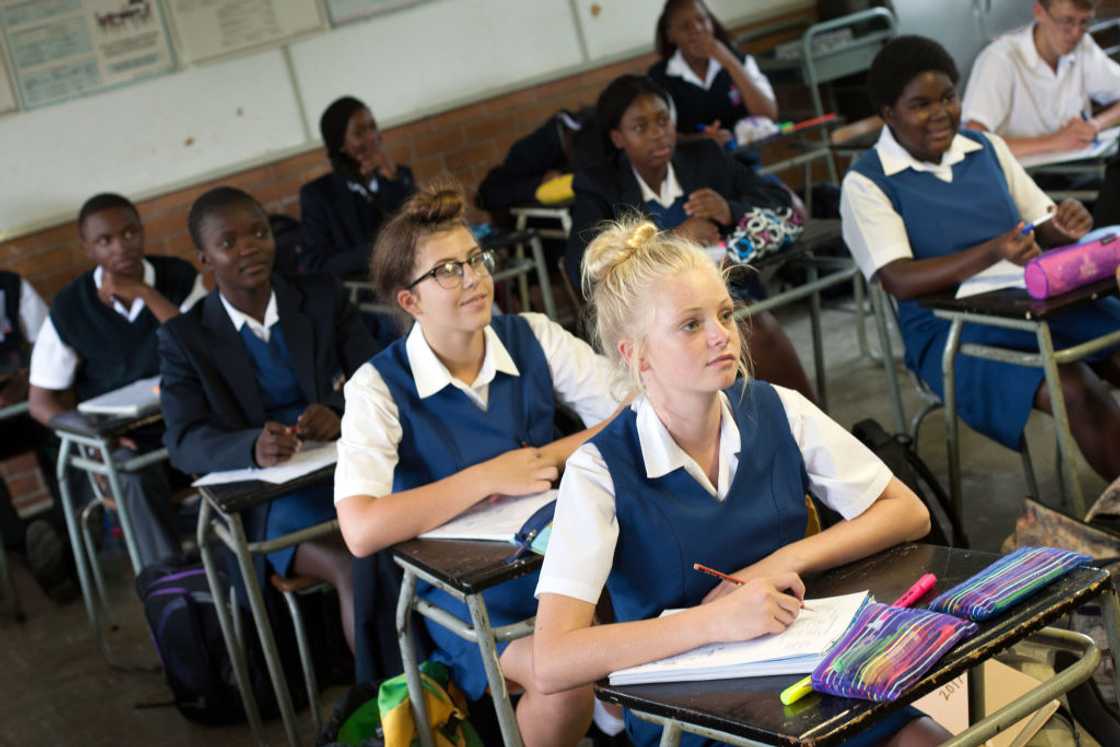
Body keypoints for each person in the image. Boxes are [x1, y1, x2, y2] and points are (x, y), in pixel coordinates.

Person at [531, 218, 941, 747]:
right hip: (693, 718)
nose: (721, 335)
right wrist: (715, 621)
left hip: (807, 675)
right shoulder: (599, 471)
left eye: (725, 314)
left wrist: (778, 564)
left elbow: (907, 511)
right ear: (635, 355)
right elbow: (553, 659)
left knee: (930, 740)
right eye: (690, 325)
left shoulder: (775, 408)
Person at [334, 185, 621, 747]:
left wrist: (544, 459)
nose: (473, 278)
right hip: (470, 597)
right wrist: (486, 478)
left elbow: (632, 412)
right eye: (447, 271)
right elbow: (360, 528)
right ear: (410, 301)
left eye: (475, 259)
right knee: (565, 679)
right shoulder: (377, 386)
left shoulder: (531, 334)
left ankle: (616, 723)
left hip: (568, 558)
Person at [842, 35, 1120, 480]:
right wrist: (991, 252)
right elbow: (897, 278)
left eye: (948, 97)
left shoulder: (986, 148)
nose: (941, 113)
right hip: (949, 331)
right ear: (888, 113)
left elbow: (1041, 223)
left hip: (1031, 304)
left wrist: (1062, 227)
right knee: (1072, 387)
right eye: (920, 105)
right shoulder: (867, 182)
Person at [159, 186, 376, 652]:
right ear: (204, 259)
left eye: (259, 233)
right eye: (228, 242)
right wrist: (249, 448)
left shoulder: (320, 296)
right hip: (271, 502)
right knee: (354, 565)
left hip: (349, 473)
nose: (249, 248)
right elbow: (182, 441)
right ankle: (387, 695)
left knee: (402, 548)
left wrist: (339, 411)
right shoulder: (186, 338)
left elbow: (376, 375)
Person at [566, 73, 817, 403]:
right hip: (657, 318)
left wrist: (729, 209)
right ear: (618, 138)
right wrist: (674, 241)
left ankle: (807, 426)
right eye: (641, 127)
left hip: (729, 299)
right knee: (734, 338)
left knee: (753, 329)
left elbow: (779, 199)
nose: (658, 134)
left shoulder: (704, 157)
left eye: (663, 121)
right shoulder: (600, 186)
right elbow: (582, 265)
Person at [28, 193, 207, 568]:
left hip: (193, 420)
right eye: (104, 240)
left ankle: (245, 570)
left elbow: (201, 348)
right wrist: (94, 436)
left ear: (142, 231)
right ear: (87, 248)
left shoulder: (178, 277)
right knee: (131, 472)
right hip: (123, 440)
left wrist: (145, 293)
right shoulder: (70, 307)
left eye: (129, 233)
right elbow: (40, 402)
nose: (121, 247)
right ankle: (172, 582)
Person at [962, 0, 1120, 224]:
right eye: (1067, 21)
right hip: (1025, 185)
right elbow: (974, 144)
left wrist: (1096, 124)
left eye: (1084, 22)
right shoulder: (1000, 59)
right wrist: (1054, 141)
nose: (1075, 33)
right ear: (1039, 12)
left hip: (1077, 170)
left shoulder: (1082, 46)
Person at [300, 96, 416, 277]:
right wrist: (377, 251)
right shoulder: (318, 195)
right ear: (340, 145)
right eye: (359, 133)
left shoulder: (400, 176)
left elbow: (421, 228)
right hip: (360, 289)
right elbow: (315, 264)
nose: (372, 137)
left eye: (373, 127)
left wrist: (393, 180)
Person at [648, 0, 778, 148]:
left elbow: (768, 115)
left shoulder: (740, 61)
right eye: (685, 26)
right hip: (693, 161)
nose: (697, 29)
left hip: (745, 157)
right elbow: (661, 135)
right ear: (670, 35)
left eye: (702, 20)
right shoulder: (659, 78)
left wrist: (730, 63)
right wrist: (702, 140)